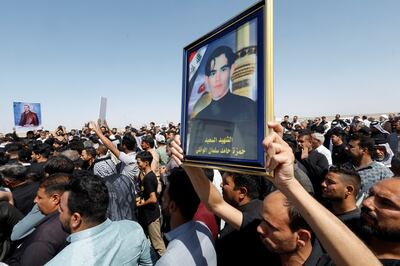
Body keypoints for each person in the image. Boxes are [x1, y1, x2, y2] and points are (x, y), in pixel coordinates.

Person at [170, 122, 381, 266]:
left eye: (271, 227)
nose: (259, 228)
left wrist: (290, 184)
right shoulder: (268, 248)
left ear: (301, 238)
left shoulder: (325, 261)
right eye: (263, 220)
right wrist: (189, 163)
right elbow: (216, 204)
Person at [46, 171, 153, 266]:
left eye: (62, 209)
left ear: (75, 219)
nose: (59, 212)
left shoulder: (62, 262)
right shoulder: (133, 229)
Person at [188, 45, 257, 160]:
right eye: (213, 73)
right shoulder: (200, 118)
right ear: (207, 79)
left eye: (223, 69)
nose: (218, 78)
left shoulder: (249, 107)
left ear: (232, 69)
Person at [156, 168, 216, 266]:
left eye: (164, 196)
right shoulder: (204, 228)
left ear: (172, 206)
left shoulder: (168, 262)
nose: (162, 198)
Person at [5, 173, 69, 266]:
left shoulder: (44, 236)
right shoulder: (65, 220)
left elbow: (16, 235)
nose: (35, 200)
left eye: (39, 197)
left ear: (55, 199)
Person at [135, 151, 166, 258]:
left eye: (139, 162)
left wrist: (140, 204)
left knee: (158, 245)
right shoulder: (148, 176)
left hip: (151, 216)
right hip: (149, 214)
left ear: (146, 163)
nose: (137, 165)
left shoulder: (148, 178)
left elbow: (153, 199)